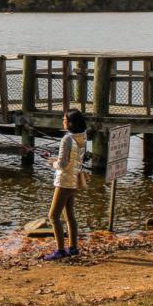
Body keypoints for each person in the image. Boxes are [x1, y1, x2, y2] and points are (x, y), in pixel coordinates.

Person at [44, 109, 88, 261]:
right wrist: (58, 160)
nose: (63, 122)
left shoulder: (67, 139)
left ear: (70, 123)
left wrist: (53, 163)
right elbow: (73, 159)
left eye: (64, 120)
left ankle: (60, 250)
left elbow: (62, 164)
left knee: (53, 215)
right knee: (69, 215)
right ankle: (73, 247)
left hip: (64, 182)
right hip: (74, 180)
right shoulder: (82, 137)